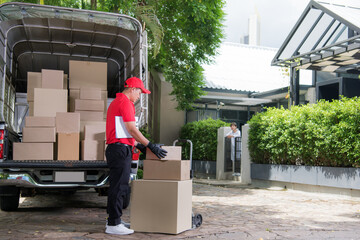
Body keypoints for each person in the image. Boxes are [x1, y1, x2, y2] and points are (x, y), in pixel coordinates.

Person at [105, 77, 167, 235]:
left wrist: (139, 145)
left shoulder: (117, 102)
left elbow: (123, 132)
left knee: (119, 186)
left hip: (118, 148)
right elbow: (131, 129)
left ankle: (115, 220)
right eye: (140, 92)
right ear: (132, 88)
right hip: (119, 150)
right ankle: (113, 224)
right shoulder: (126, 103)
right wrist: (149, 144)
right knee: (119, 187)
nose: (140, 95)